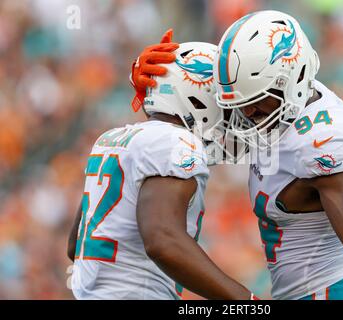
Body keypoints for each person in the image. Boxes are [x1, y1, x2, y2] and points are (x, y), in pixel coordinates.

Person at [134, 11, 343, 300]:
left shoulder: (324, 138)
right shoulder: (277, 106)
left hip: (331, 292)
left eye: (254, 102)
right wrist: (157, 84)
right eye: (239, 104)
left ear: (291, 80)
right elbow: (206, 117)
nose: (247, 114)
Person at [67, 37, 255, 300]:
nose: (232, 117)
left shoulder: (111, 139)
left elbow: (76, 244)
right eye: (224, 105)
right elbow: (163, 241)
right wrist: (246, 300)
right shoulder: (176, 142)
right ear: (198, 97)